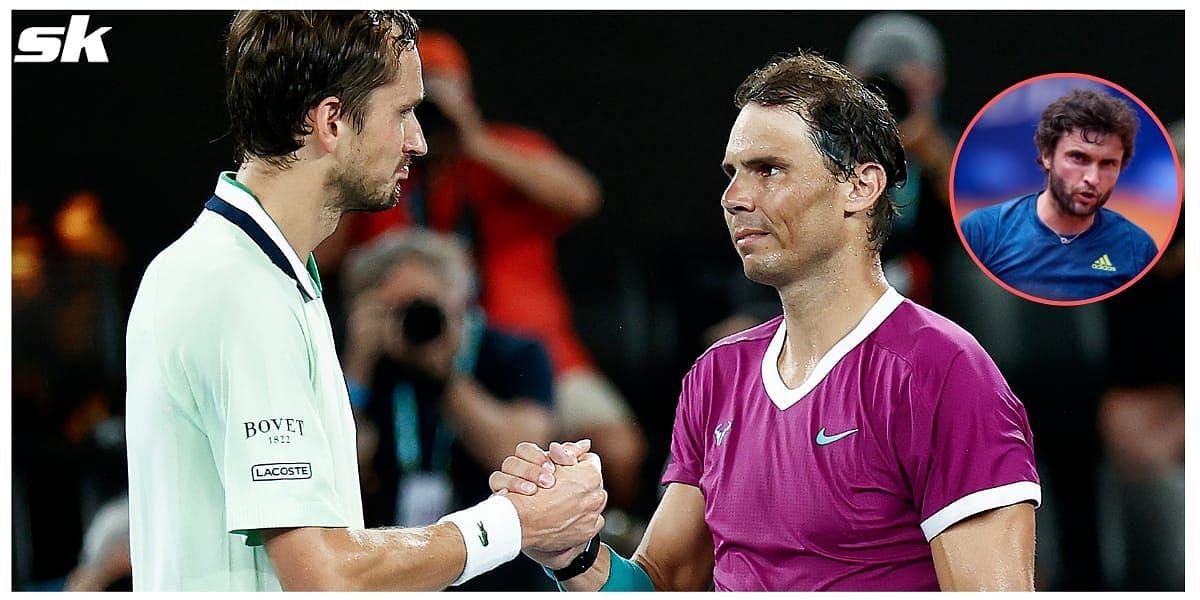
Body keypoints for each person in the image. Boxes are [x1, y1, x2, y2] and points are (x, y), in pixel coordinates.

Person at [490, 51, 1040, 591]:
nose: (733, 198)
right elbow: (661, 583)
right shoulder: (717, 375)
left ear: (860, 186)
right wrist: (572, 554)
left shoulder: (943, 372)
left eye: (768, 169)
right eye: (732, 173)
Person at [124, 11, 605, 591]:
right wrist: (514, 523)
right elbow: (322, 575)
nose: (420, 141)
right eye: (402, 112)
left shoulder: (255, 273)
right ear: (331, 121)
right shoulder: (241, 290)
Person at [318, 30, 647, 510]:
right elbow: (319, 256)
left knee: (616, 450)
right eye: (410, 103)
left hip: (523, 346)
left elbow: (582, 197)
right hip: (405, 341)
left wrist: (473, 141)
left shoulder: (504, 151)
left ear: (466, 94)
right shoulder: (378, 171)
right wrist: (357, 164)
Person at [340, 228, 556, 590]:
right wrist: (359, 365)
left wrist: (445, 376)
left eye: (427, 304)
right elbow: (340, 469)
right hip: (391, 560)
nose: (416, 320)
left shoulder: (513, 353)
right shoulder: (367, 361)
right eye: (400, 308)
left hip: (500, 563)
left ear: (461, 301)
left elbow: (518, 453)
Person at [959, 89, 1157, 301]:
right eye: (1079, 158)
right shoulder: (983, 231)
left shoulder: (1139, 248)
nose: (1092, 178)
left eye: (1108, 163)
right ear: (1047, 156)